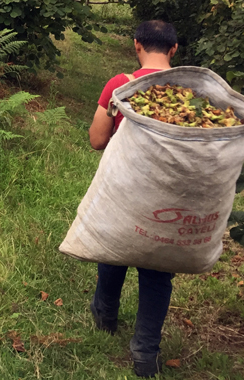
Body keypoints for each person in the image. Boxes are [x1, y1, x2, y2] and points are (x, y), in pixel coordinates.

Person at [87, 19, 178, 378]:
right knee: (157, 275)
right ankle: (145, 354)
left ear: (136, 45)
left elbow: (97, 139)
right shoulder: (192, 89)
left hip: (127, 191)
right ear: (174, 49)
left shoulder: (121, 86)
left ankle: (105, 316)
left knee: (115, 251)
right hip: (172, 199)